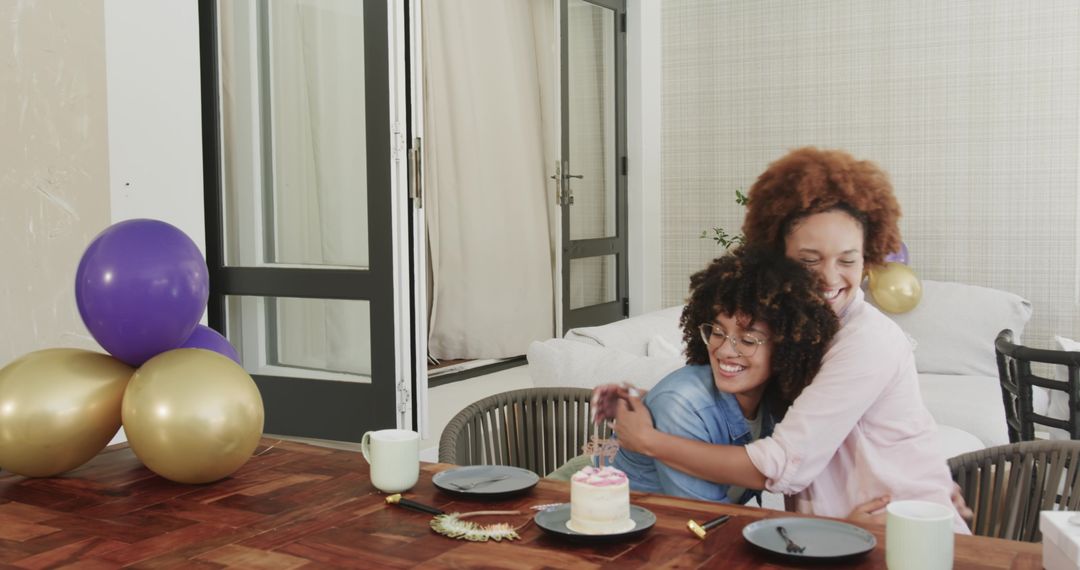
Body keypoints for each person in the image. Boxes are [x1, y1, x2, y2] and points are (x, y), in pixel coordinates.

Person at [595, 147, 970, 531]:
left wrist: (649, 441)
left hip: (894, 529)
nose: (829, 277)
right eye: (809, 260)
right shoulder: (792, 333)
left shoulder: (866, 340)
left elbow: (782, 464)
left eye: (848, 260)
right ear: (779, 257)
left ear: (868, 257)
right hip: (836, 534)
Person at [613, 246, 838, 505]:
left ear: (786, 347)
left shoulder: (775, 401)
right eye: (718, 333)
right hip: (624, 536)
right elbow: (702, 519)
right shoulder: (682, 404)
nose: (724, 351)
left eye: (749, 339)